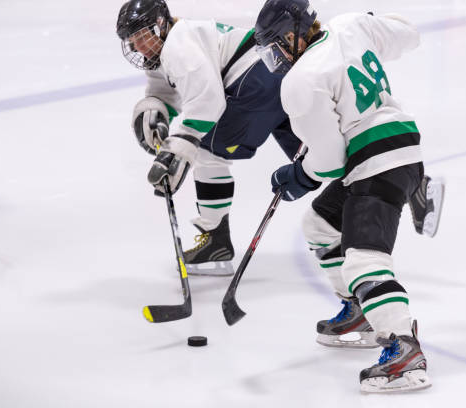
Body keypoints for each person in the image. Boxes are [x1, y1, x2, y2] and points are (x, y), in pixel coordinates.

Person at [254, 0, 440, 392]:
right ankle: (360, 310)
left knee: (364, 261)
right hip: (402, 145)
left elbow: (329, 162)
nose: (275, 57)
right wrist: (372, 24)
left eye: (275, 46)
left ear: (292, 35)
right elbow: (409, 32)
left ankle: (404, 349)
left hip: (375, 161)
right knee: (319, 225)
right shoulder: (350, 26)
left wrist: (298, 176)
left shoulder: (301, 80)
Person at [115, 0, 303, 275]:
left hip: (255, 83)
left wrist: (178, 149)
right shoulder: (167, 47)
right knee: (314, 157)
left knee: (205, 151)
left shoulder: (177, 46)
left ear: (160, 25)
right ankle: (343, 222)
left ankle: (216, 241)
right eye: (133, 40)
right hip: (276, 75)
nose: (139, 45)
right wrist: (155, 112)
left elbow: (207, 101)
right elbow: (164, 91)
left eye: (143, 36)